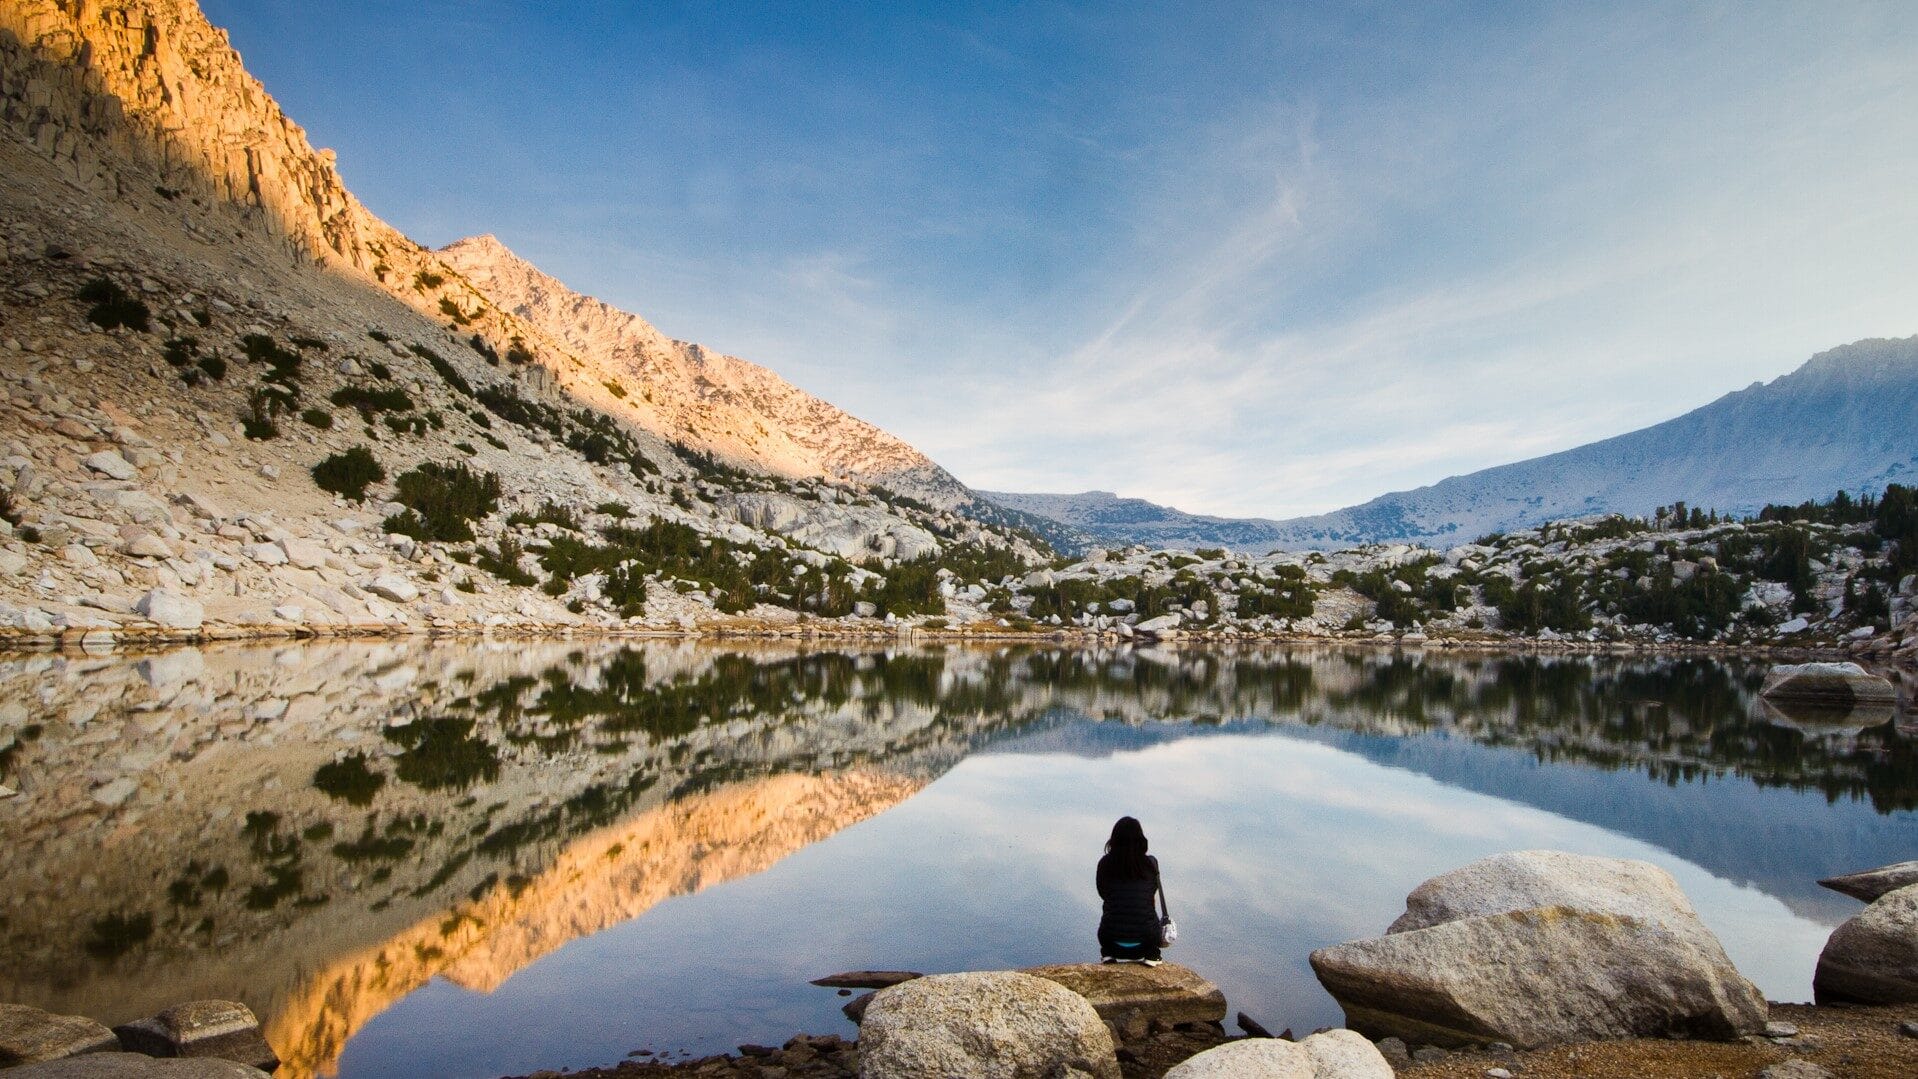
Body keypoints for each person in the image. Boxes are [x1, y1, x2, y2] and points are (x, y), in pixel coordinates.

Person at [1096, 816, 1165, 965]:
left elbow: (1103, 894)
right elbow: (1150, 895)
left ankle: (1108, 955)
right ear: (1141, 839)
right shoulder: (1151, 863)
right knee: (1149, 915)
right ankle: (1152, 955)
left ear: (1114, 839)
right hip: (1146, 942)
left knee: (1111, 919)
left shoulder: (1105, 864)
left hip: (1110, 940)